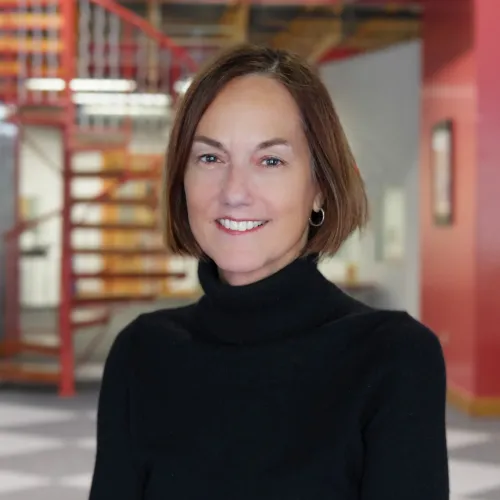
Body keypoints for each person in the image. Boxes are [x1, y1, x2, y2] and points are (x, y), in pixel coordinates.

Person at [89, 44, 449, 500]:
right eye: (211, 158)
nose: (234, 191)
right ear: (182, 181)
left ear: (319, 187)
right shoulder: (141, 353)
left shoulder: (393, 358)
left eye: (271, 160)